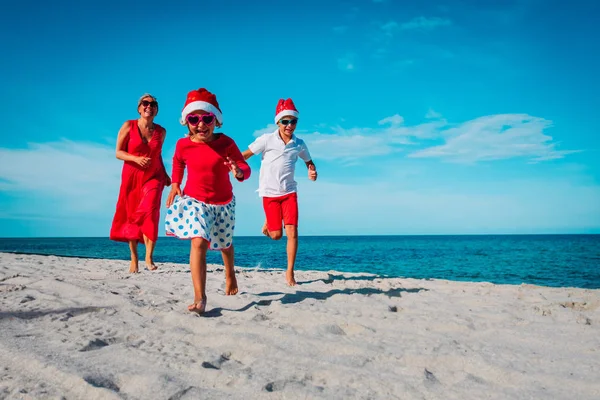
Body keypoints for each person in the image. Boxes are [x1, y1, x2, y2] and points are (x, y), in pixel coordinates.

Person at [165, 88, 250, 314]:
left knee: (225, 243)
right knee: (199, 240)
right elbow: (178, 162)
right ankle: (200, 296)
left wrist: (238, 172)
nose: (200, 124)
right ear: (186, 121)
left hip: (223, 203)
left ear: (216, 121)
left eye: (207, 118)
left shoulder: (226, 143)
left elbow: (244, 167)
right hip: (195, 200)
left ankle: (230, 273)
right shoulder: (183, 145)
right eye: (194, 118)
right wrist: (175, 184)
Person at [242, 98, 317, 286]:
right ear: (278, 122)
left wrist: (312, 169)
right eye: (285, 121)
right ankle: (269, 223)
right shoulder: (266, 140)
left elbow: (308, 160)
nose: (289, 125)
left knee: (292, 232)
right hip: (269, 193)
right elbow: (246, 154)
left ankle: (290, 272)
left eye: (293, 121)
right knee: (276, 235)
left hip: (290, 192)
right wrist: (229, 164)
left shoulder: (299, 144)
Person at [110, 94, 170, 273]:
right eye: (145, 103)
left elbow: (158, 155)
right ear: (139, 108)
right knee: (132, 216)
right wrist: (135, 158)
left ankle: (149, 257)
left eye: (153, 104)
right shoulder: (128, 125)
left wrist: (166, 174)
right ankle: (134, 258)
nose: (149, 106)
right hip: (132, 177)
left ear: (156, 110)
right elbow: (118, 152)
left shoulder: (161, 131)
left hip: (154, 176)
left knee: (151, 212)